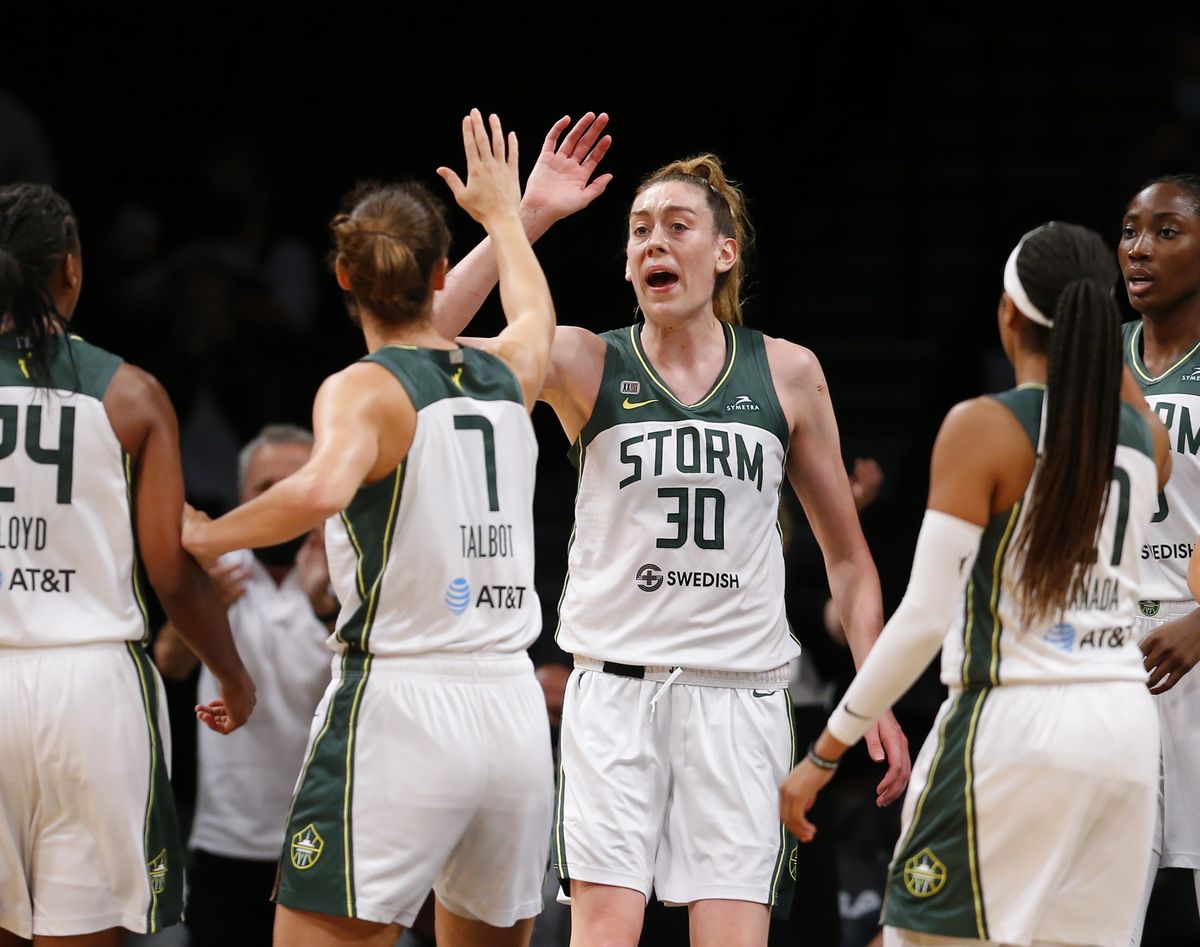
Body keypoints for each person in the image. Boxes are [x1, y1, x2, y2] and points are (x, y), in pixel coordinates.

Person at [435, 152, 911, 946]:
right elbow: (423, 341)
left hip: (743, 699)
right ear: (627, 264)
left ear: (724, 252)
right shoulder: (585, 359)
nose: (654, 242)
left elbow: (850, 559)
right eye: (639, 231)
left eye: (677, 226)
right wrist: (526, 220)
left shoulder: (788, 373)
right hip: (616, 695)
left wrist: (876, 691)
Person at [182, 110, 559, 947]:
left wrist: (207, 536)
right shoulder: (509, 370)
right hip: (512, 711)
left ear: (343, 281)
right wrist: (506, 217)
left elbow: (318, 487)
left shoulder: (363, 388)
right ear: (437, 271)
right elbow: (533, 310)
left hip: (403, 706)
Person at [779, 221, 1172, 947]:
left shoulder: (983, 426)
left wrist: (823, 753)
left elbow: (925, 616)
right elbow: (1127, 408)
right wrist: (1100, 323)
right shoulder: (1146, 443)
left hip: (1016, 721)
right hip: (1123, 732)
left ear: (1007, 314)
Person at [0, 183, 254, 946]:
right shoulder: (133, 394)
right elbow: (172, 572)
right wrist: (233, 675)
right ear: (71, 270)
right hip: (90, 689)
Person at [154, 424, 334, 947]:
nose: (281, 496)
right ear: (241, 497)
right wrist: (201, 609)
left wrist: (330, 610)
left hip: (321, 834)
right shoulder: (215, 567)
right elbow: (169, 660)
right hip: (225, 837)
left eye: (297, 481)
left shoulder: (352, 570)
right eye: (265, 487)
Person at [1119, 173, 1200, 944]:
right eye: (1131, 231)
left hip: (1196, 638)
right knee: (1102, 906)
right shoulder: (1089, 359)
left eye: (1166, 230)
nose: (1139, 248)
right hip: (1114, 652)